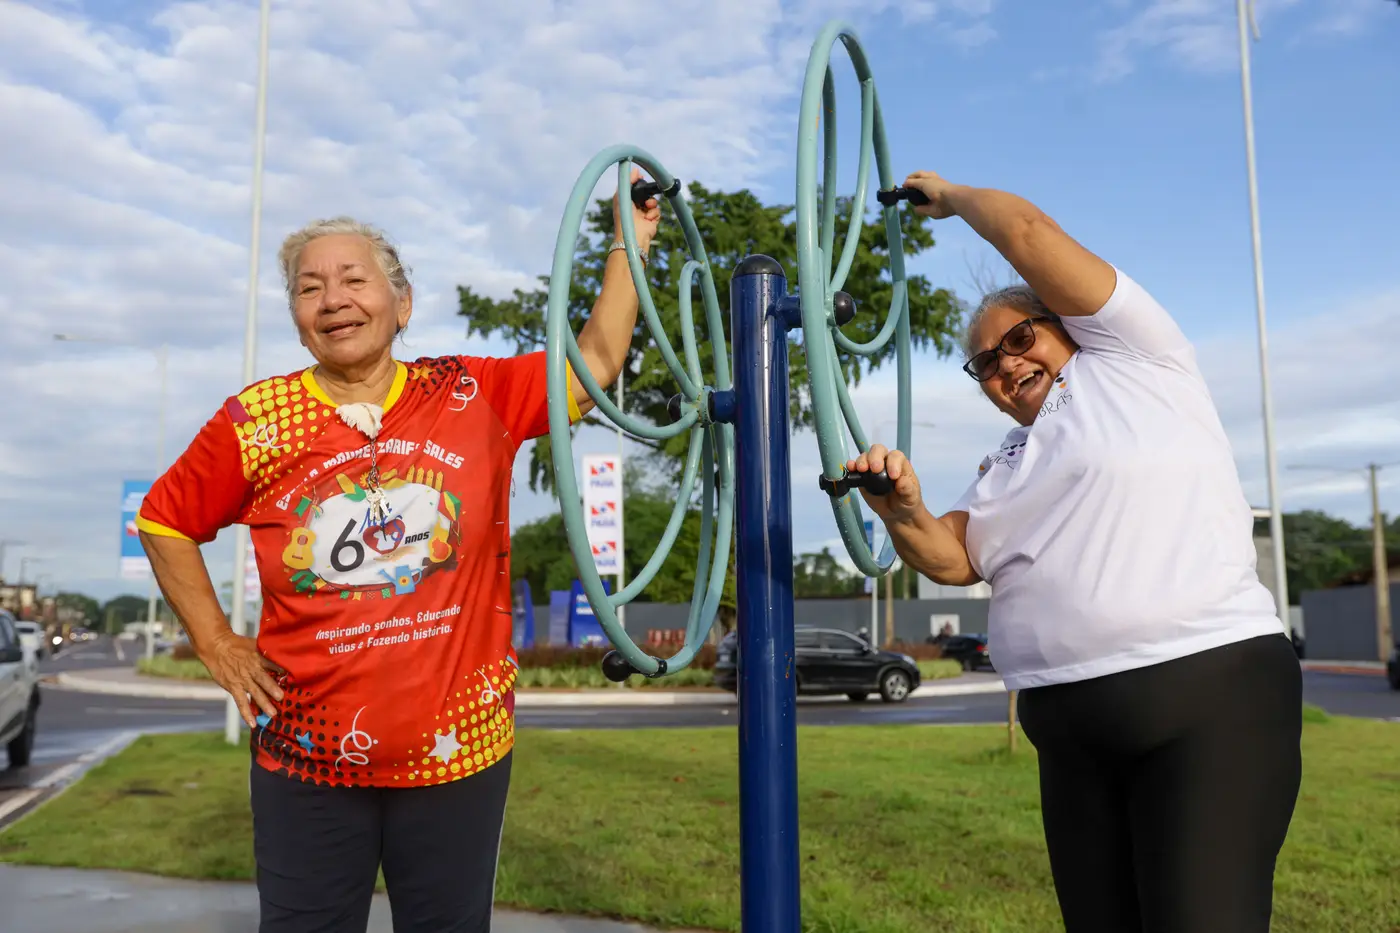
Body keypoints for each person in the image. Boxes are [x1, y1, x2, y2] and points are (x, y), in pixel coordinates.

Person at [136, 172, 661, 932]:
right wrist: (214, 640)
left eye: (354, 278)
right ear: (298, 319)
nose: (332, 298)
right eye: (309, 287)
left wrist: (628, 240)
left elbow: (596, 361)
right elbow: (163, 519)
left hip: (459, 753)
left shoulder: (470, 394)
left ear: (402, 302)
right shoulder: (257, 421)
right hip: (306, 756)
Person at [848, 170, 1302, 933]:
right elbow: (955, 557)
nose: (1006, 366)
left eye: (1021, 338)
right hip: (1071, 736)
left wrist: (952, 199)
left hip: (1207, 699)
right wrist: (903, 508)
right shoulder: (1006, 460)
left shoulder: (1136, 361)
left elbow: (1027, 235)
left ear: (1065, 323)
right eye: (985, 365)